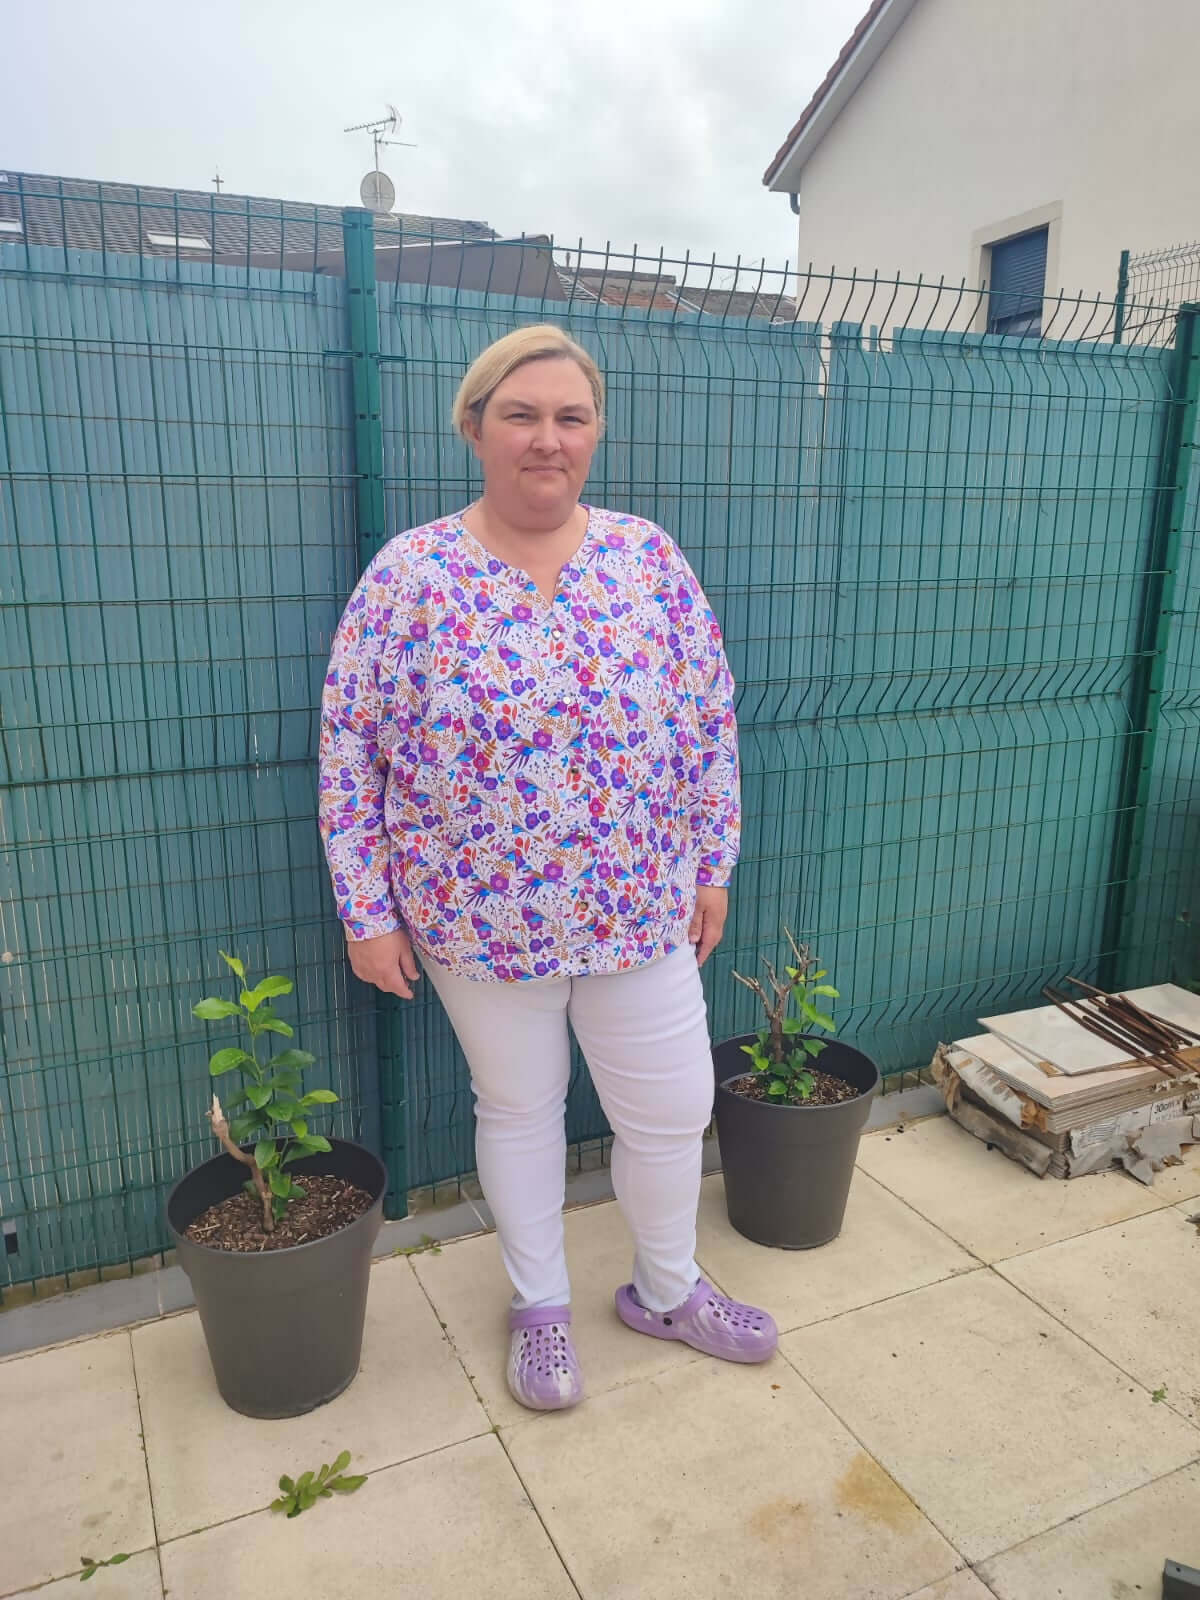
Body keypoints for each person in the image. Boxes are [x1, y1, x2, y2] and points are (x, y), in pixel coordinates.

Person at [318, 324, 777, 1411]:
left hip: (637, 903)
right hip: (478, 917)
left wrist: (713, 859)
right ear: (476, 426)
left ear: (595, 431)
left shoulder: (647, 559)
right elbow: (349, 745)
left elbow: (710, 715)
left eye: (571, 416)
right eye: (521, 414)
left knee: (671, 1108)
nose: (547, 438)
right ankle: (539, 1306)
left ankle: (667, 1288)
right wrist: (364, 910)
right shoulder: (411, 575)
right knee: (518, 1107)